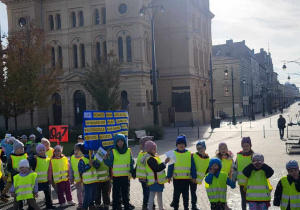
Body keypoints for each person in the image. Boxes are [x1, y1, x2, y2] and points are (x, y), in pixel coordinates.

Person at [103, 134, 135, 210]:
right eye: (118, 141)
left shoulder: (128, 151)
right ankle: (115, 208)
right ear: (115, 142)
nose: (120, 143)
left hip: (125, 177)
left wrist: (133, 172)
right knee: (116, 195)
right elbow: (110, 163)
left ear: (124, 142)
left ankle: (126, 207)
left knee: (125, 194)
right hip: (116, 177)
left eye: (122, 141)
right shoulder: (113, 151)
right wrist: (105, 159)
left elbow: (130, 163)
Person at [167, 135, 197, 210]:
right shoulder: (173, 154)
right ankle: (175, 207)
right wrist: (169, 176)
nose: (181, 145)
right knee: (176, 195)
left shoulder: (189, 154)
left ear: (185, 145)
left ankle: (186, 208)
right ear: (177, 145)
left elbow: (193, 166)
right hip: (176, 179)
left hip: (186, 179)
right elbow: (170, 166)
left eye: (183, 144)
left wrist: (194, 176)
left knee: (185, 195)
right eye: (179, 144)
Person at [142, 141, 169, 210]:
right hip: (155, 181)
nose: (155, 150)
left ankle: (160, 208)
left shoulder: (153, 157)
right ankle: (150, 208)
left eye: (155, 148)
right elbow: (157, 168)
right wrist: (165, 162)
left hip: (156, 181)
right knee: (152, 196)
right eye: (153, 149)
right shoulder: (150, 159)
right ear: (149, 150)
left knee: (158, 195)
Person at [29, 144, 55, 209]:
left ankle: (49, 205)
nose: (42, 151)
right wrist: (32, 156)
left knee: (47, 194)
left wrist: (50, 178)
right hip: (36, 181)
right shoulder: (35, 159)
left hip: (45, 180)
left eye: (43, 150)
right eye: (40, 150)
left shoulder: (48, 159)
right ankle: (31, 206)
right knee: (33, 194)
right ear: (37, 151)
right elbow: (30, 162)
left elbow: (50, 170)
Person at [234, 137, 254, 210]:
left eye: (247, 146)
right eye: (244, 146)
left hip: (251, 182)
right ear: (241, 146)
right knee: (243, 199)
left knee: (251, 199)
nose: (245, 148)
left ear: (250, 145)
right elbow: (235, 168)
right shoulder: (239, 155)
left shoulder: (253, 156)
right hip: (242, 182)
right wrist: (234, 179)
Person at [191, 140, 210, 210]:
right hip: (189, 177)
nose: (200, 150)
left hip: (196, 180)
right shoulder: (193, 156)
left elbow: (207, 171)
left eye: (201, 148)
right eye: (198, 148)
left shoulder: (208, 160)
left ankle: (193, 205)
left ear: (205, 148)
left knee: (193, 192)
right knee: (186, 192)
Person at [135, 136, 151, 210]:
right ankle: (146, 203)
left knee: (147, 192)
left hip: (147, 178)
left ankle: (147, 204)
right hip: (142, 178)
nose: (139, 145)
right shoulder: (141, 153)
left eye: (140, 144)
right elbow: (138, 164)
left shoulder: (148, 154)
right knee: (145, 192)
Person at [70, 143, 85, 209]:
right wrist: (71, 177)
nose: (76, 152)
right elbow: (70, 169)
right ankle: (80, 203)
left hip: (84, 179)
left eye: (78, 150)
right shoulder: (72, 157)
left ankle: (85, 203)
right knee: (79, 192)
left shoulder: (84, 157)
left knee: (84, 192)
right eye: (75, 150)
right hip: (77, 179)